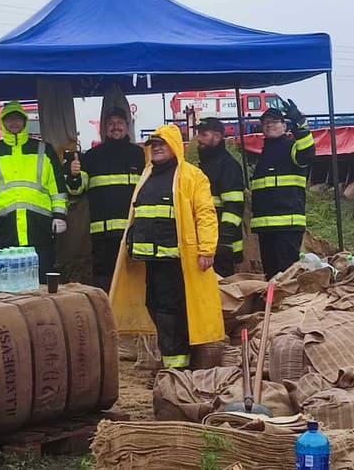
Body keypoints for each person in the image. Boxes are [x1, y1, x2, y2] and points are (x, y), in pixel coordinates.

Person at [109, 124, 224, 371]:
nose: (157, 148)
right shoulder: (148, 175)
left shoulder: (191, 176)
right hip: (150, 260)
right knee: (155, 307)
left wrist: (206, 249)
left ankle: (176, 368)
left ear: (174, 146)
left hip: (176, 260)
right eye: (153, 145)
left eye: (162, 144)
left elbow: (205, 214)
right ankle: (171, 360)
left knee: (171, 313)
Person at [0, 101, 68, 283]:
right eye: (9, 119)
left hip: (39, 229)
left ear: (24, 122)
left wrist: (59, 215)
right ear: (2, 123)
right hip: (3, 230)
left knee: (42, 285)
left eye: (17, 119)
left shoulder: (43, 150)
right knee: (8, 286)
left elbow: (58, 188)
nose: (13, 123)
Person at [66, 107, 144, 291]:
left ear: (127, 127)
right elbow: (76, 191)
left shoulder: (139, 155)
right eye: (111, 124)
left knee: (134, 278)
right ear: (104, 128)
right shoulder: (92, 156)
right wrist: (74, 175)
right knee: (104, 281)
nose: (115, 127)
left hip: (133, 231)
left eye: (119, 123)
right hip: (102, 235)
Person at [250, 99, 315, 279]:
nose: (268, 125)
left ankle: (286, 304)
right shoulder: (265, 152)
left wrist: (300, 125)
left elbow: (307, 153)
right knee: (271, 274)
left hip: (287, 225)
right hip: (266, 227)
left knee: (285, 274)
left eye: (273, 122)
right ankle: (273, 304)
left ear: (284, 125)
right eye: (265, 122)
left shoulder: (292, 147)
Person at [196, 117, 245, 278]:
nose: (199, 139)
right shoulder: (206, 164)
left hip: (222, 246)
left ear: (217, 136)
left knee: (223, 294)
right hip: (207, 243)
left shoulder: (228, 166)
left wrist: (223, 240)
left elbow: (234, 208)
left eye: (204, 134)